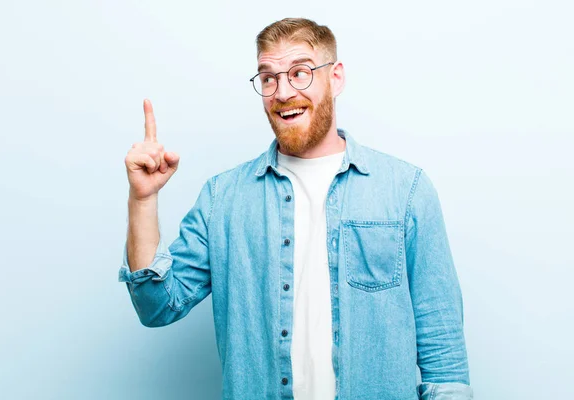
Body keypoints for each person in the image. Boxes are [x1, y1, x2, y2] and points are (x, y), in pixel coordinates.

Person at [119, 18, 473, 400]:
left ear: (335, 78)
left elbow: (444, 355)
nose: (283, 92)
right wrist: (143, 200)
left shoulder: (405, 190)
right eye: (268, 77)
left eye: (300, 73)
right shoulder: (223, 199)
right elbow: (156, 306)